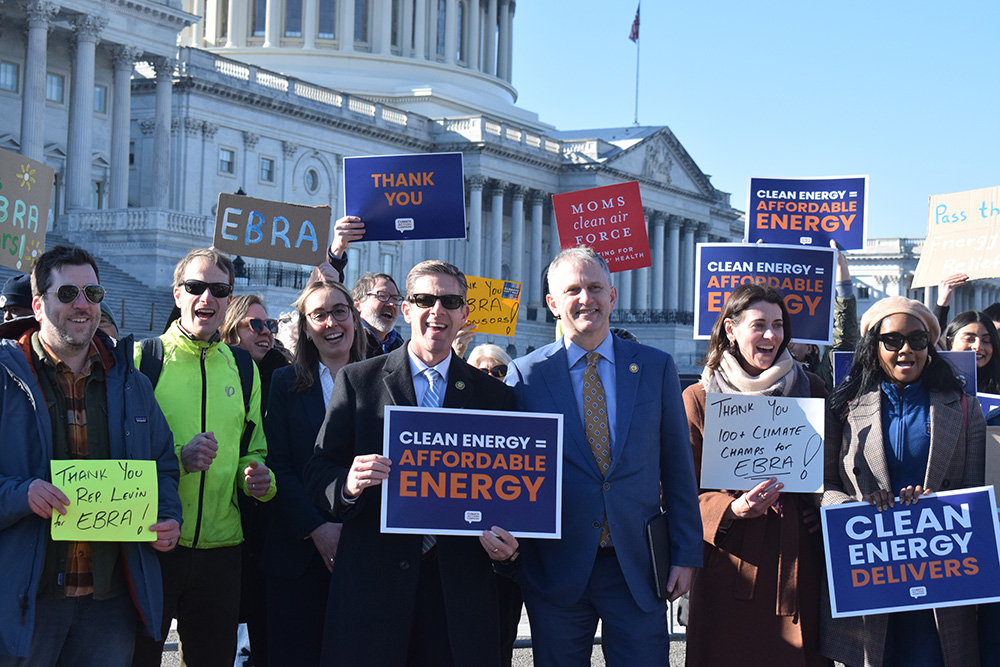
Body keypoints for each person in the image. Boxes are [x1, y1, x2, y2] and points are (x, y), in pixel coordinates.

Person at [304, 260, 517, 667]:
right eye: (424, 299)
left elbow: (512, 488)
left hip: (457, 590)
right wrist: (348, 484)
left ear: (464, 313)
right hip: (376, 587)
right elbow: (319, 471)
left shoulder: (494, 397)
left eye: (450, 301)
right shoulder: (358, 380)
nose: (437, 310)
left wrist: (512, 544)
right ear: (406, 310)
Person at [505, 247, 702, 667]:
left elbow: (677, 467)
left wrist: (686, 554)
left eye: (595, 287)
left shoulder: (655, 367)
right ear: (553, 303)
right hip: (556, 567)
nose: (585, 298)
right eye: (572, 289)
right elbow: (510, 467)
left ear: (613, 295)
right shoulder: (525, 375)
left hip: (638, 564)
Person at [0, 245, 181, 665]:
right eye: (67, 294)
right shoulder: (7, 378)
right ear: (38, 305)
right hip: (25, 602)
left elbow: (163, 467)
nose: (82, 305)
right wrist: (20, 495)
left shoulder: (131, 382)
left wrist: (169, 517)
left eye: (92, 293)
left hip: (108, 605)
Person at [131, 248, 276, 667]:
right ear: (178, 294)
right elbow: (124, 452)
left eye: (219, 289)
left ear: (229, 300)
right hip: (154, 542)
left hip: (222, 550)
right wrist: (180, 459)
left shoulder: (244, 368)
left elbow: (255, 448)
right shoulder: (145, 359)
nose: (206, 298)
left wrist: (260, 478)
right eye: (196, 287)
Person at [823, 296, 985, 667]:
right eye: (892, 340)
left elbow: (976, 498)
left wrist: (935, 503)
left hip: (938, 579)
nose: (906, 349)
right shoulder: (843, 406)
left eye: (918, 340)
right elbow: (822, 485)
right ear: (874, 346)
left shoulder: (964, 408)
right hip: (868, 572)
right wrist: (853, 509)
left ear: (931, 346)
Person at [681, 282, 831, 667]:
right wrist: (730, 508)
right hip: (729, 567)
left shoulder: (811, 387)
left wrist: (823, 510)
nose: (771, 335)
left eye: (779, 325)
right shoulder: (699, 397)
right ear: (730, 330)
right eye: (759, 324)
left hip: (799, 563)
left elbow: (832, 468)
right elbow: (678, 490)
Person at [261, 278, 366, 666]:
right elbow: (280, 464)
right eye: (318, 315)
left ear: (355, 318)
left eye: (340, 311)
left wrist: (348, 527)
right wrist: (317, 528)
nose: (331, 322)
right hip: (297, 551)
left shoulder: (385, 380)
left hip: (365, 550)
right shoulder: (284, 383)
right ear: (305, 327)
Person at [218, 293, 291, 667]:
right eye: (256, 325)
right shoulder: (217, 370)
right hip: (223, 517)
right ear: (231, 329)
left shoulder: (289, 376)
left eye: (271, 325)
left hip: (268, 521)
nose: (266, 332)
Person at [466, 342, 520, 667]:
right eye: (480, 371)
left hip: (508, 557)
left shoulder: (521, 417)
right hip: (464, 557)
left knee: (501, 644)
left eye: (498, 371)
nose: (489, 377)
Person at [942, 310, 1000, 394]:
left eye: (986, 340)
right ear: (950, 342)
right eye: (969, 339)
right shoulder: (934, 381)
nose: (978, 346)